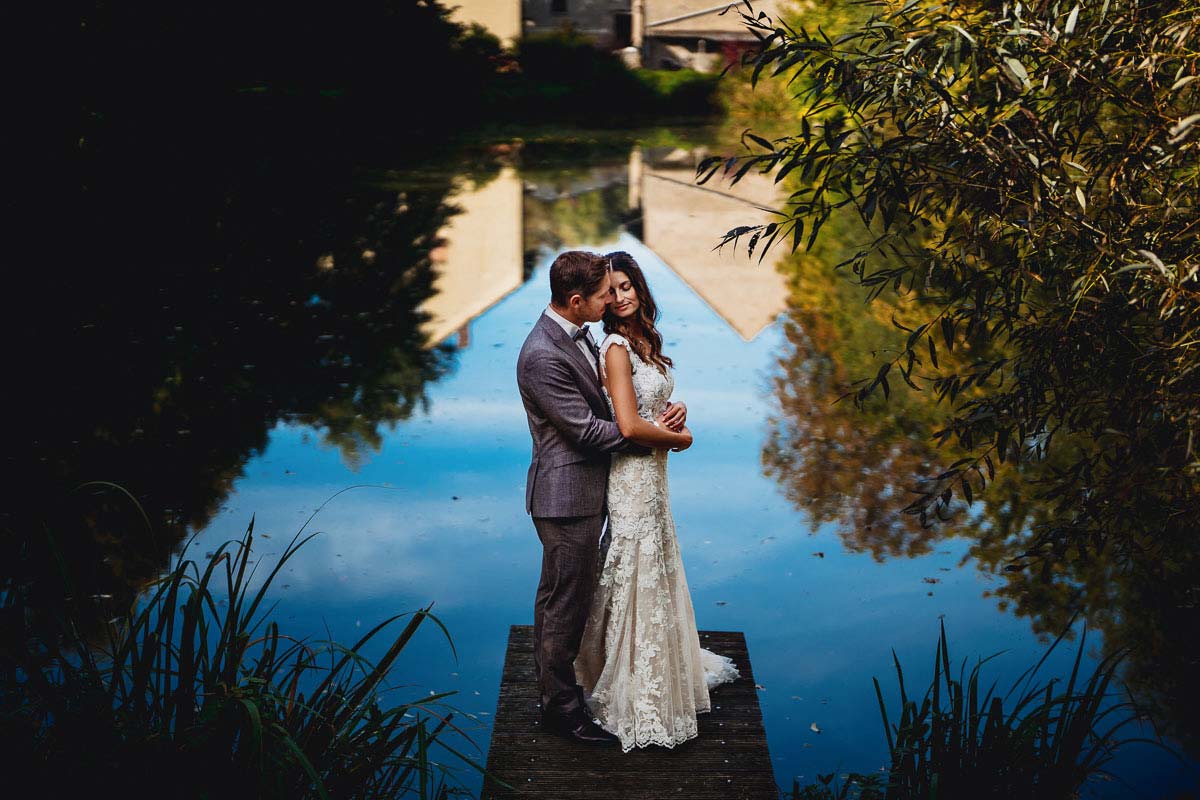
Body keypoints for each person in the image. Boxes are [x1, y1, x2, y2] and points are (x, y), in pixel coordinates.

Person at [515, 250, 688, 745]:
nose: (612, 299)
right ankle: (561, 712)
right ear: (576, 301)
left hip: (591, 488)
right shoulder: (542, 354)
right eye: (602, 295)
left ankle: (571, 690)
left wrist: (654, 414)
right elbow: (588, 432)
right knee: (562, 605)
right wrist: (657, 434)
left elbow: (618, 398)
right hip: (565, 496)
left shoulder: (576, 332)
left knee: (567, 599)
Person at [575, 250, 739, 753]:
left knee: (657, 560)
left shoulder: (645, 342)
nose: (620, 296)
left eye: (626, 286)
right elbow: (627, 426)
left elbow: (647, 408)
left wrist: (672, 409)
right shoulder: (617, 348)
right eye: (611, 290)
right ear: (601, 300)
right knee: (633, 562)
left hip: (654, 474)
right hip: (632, 474)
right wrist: (683, 438)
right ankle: (628, 681)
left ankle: (656, 662)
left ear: (640, 289)